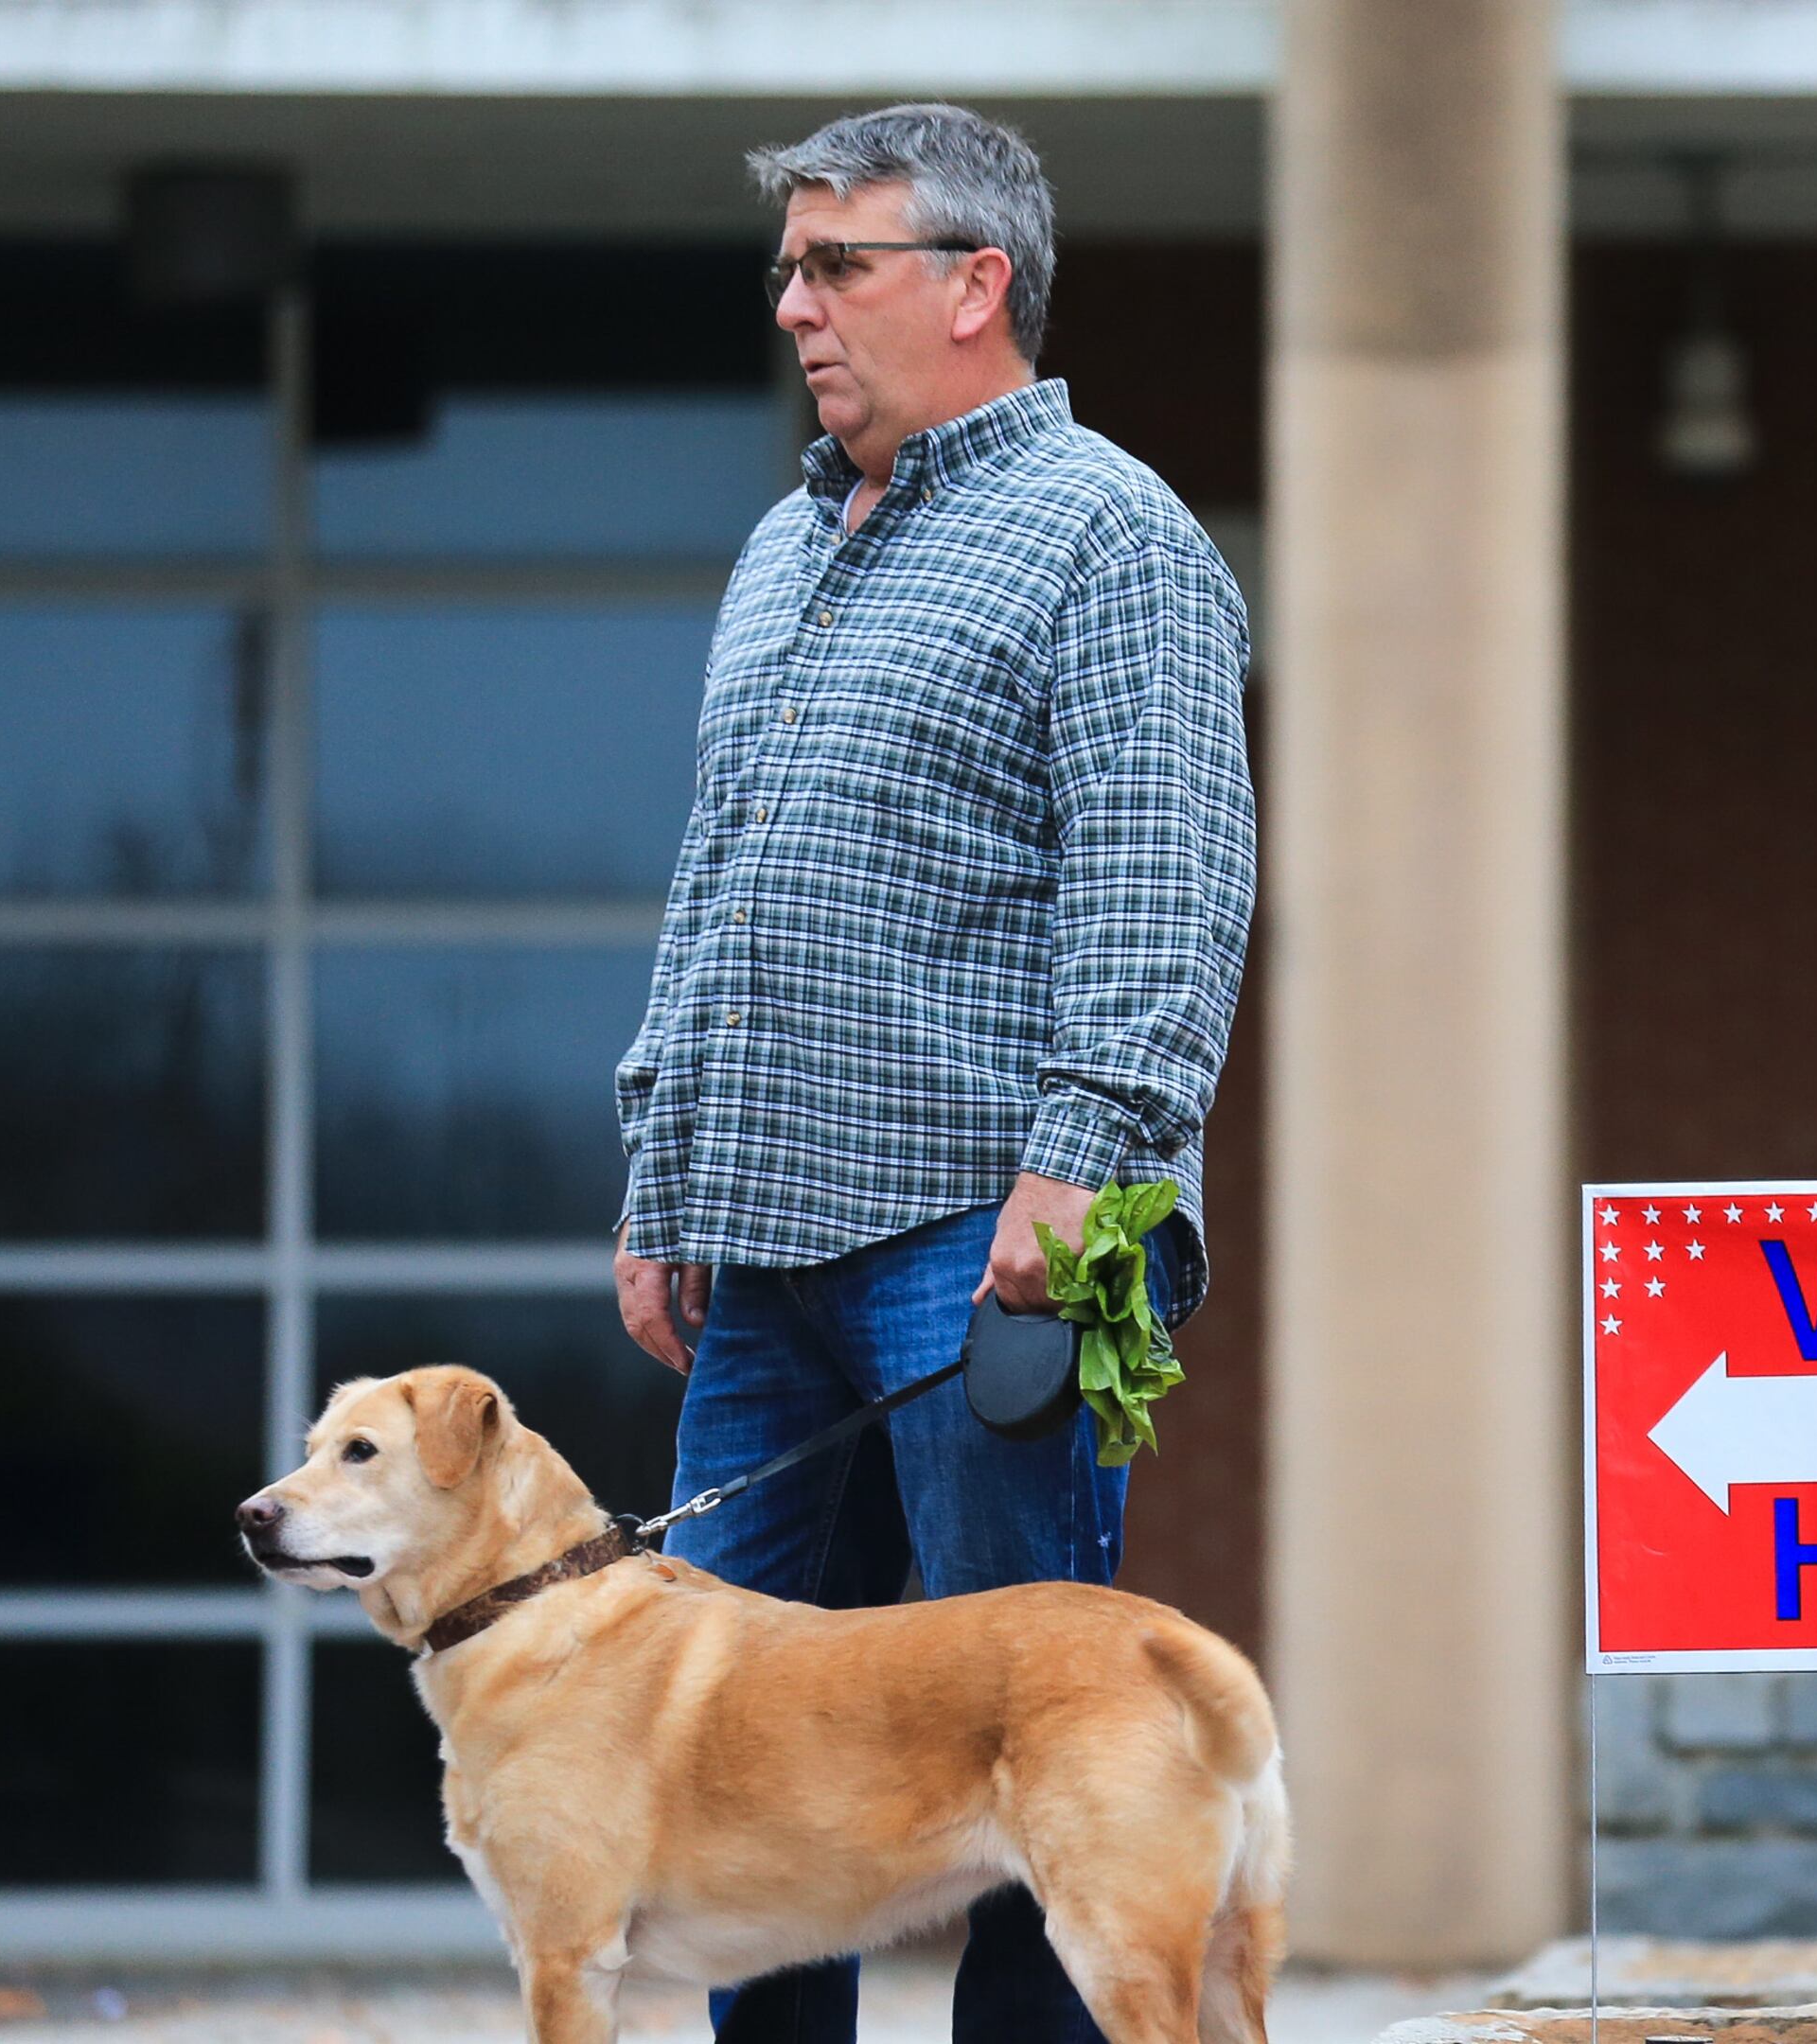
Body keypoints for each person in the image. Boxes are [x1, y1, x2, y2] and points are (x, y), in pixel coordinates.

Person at [608, 102, 1257, 2044]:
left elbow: (1171, 884)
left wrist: (1085, 1168)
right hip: (761, 1260)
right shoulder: (780, 549)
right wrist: (664, 1183)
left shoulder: (1113, 538)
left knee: (1021, 1776)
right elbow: (714, 887)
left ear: (979, 286)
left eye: (837, 265)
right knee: (738, 1787)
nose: (794, 305)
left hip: (985, 1246)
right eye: (787, 269)